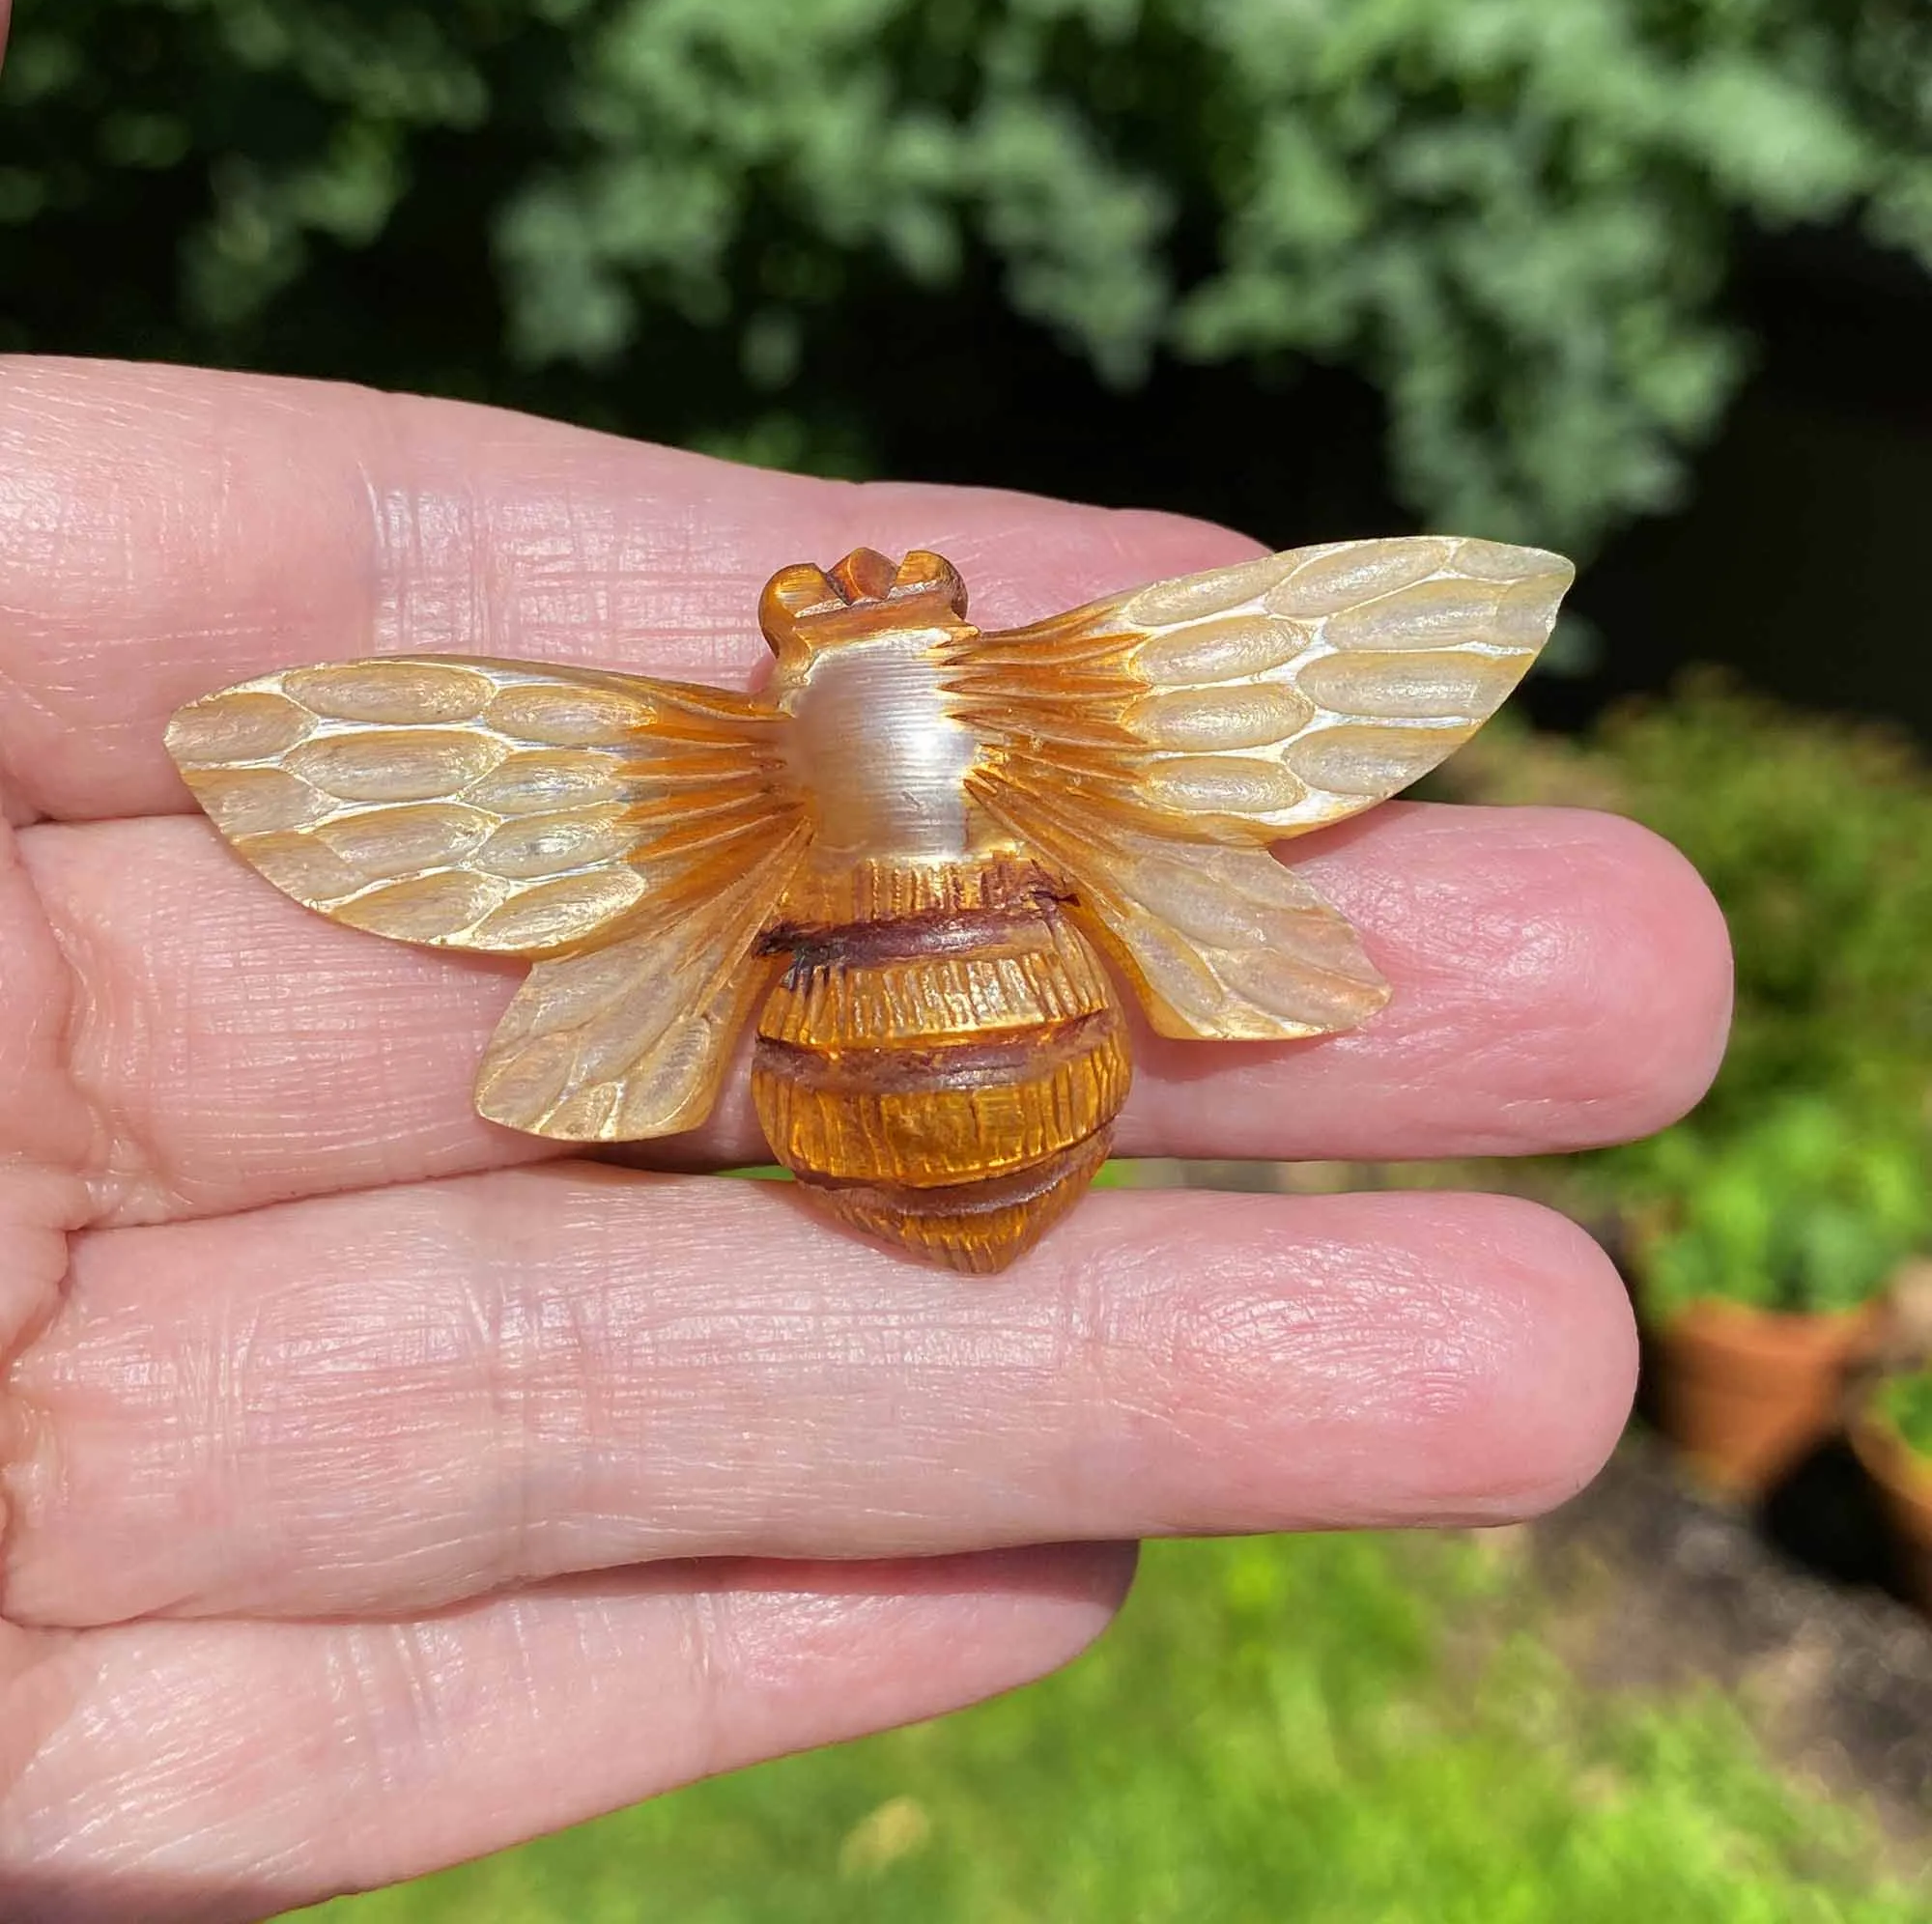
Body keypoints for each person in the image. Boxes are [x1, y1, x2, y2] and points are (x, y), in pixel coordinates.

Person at [0, 358, 1731, 1922]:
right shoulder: (1088, 703)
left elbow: (391, 780)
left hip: (862, 1023)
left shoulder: (710, 764)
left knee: (614, 1043)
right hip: (1010, 1014)